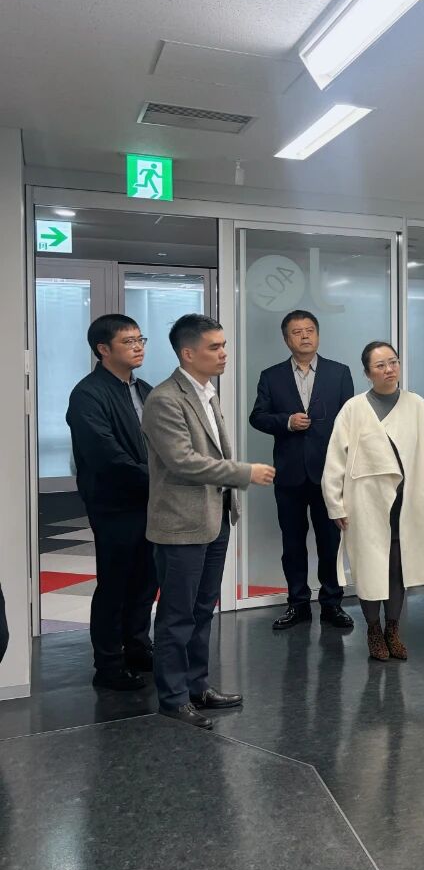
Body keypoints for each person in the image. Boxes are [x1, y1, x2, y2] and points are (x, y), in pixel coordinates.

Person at [142, 314, 275, 729]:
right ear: (188, 353)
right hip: (181, 523)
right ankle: (173, 698)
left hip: (214, 517)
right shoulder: (165, 399)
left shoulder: (207, 392)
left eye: (224, 345)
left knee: (202, 609)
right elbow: (183, 461)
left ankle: (197, 686)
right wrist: (244, 472)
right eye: (214, 347)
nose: (223, 354)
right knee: (177, 614)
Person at [323, 342, 424, 662]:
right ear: (367, 373)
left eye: (393, 362)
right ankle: (373, 630)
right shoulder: (353, 409)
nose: (389, 369)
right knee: (368, 570)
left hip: (405, 505)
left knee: (396, 570)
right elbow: (335, 460)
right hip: (364, 505)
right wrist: (335, 505)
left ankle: (393, 629)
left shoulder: (416, 405)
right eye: (380, 365)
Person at [65, 314, 156, 691]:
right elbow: (106, 455)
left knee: (145, 580)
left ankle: (138, 647)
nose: (138, 347)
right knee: (115, 583)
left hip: (151, 501)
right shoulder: (88, 394)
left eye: (140, 339)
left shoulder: (145, 389)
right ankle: (108, 663)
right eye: (128, 341)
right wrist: (157, 478)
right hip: (115, 503)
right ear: (103, 349)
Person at [249, 310, 355, 631]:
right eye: (297, 332)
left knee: (329, 542)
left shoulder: (339, 373)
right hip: (290, 474)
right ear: (286, 339)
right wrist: (286, 422)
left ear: (318, 335)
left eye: (310, 330)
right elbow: (257, 416)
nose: (305, 336)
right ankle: (298, 604)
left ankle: (332, 604)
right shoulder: (272, 376)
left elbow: (351, 422)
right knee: (292, 543)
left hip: (329, 474)